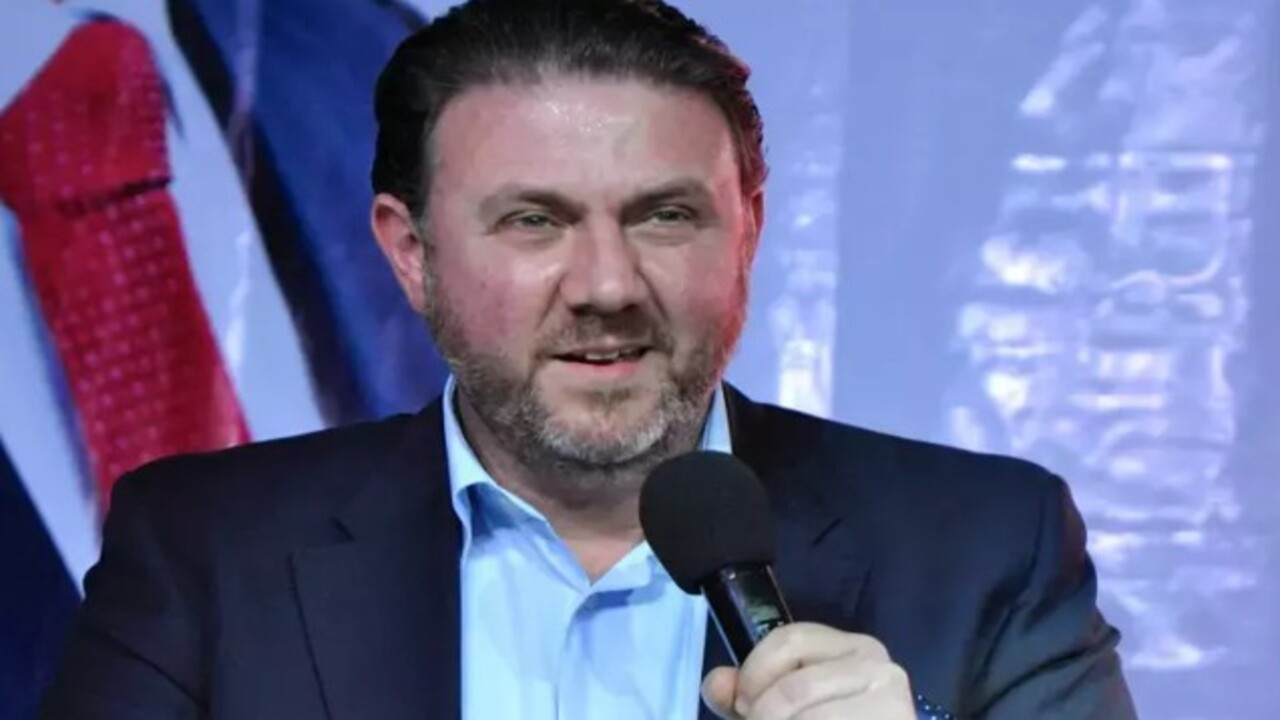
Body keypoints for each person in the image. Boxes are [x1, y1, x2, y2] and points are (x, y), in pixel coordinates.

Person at [41, 0, 1138, 718]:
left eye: (664, 215)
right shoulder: (205, 550)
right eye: (533, 221)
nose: (607, 284)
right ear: (411, 253)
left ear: (748, 230)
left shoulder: (988, 543)